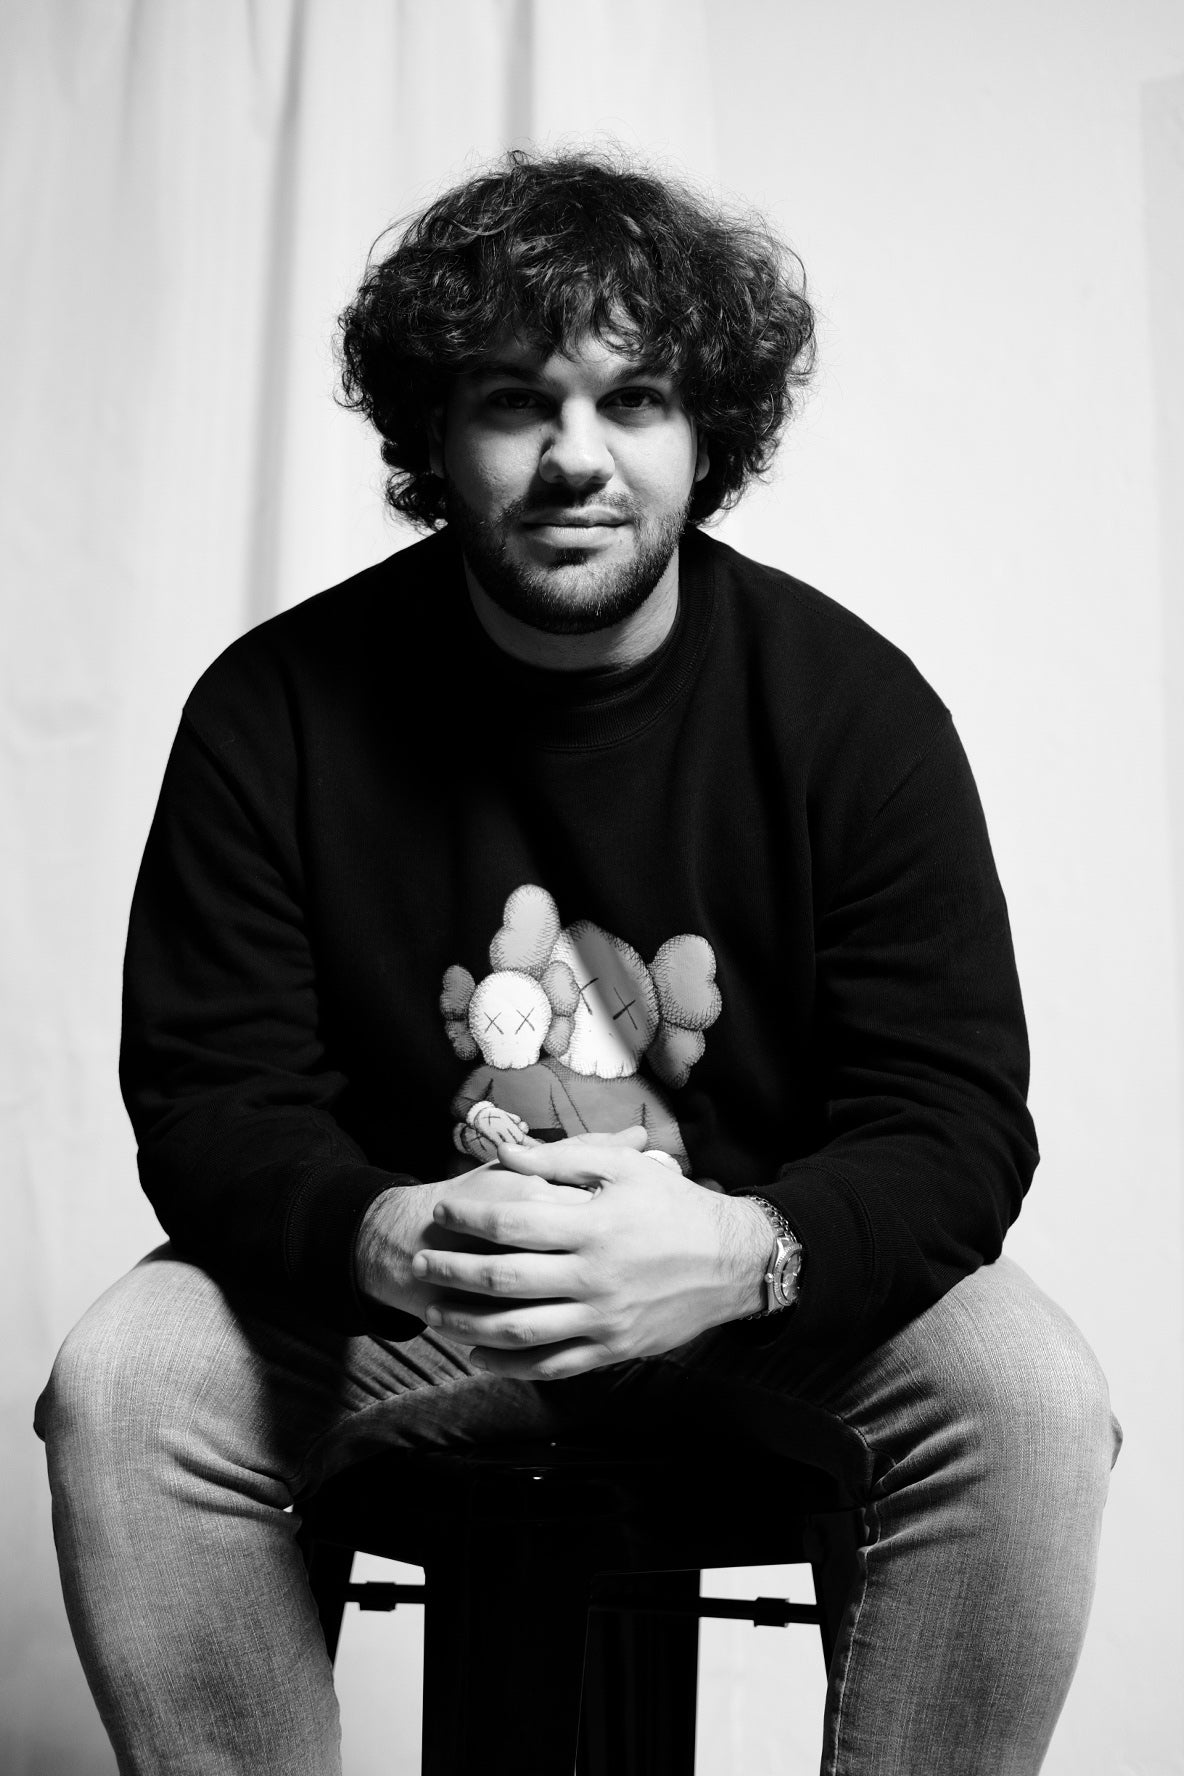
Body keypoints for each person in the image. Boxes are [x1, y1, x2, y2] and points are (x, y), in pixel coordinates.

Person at [36, 149, 1119, 1775]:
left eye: (637, 400)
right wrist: (391, 1233)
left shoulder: (855, 712)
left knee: (1027, 1397)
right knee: (129, 1382)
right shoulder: (277, 708)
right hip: (405, 1302)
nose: (576, 459)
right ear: (434, 435)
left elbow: (955, 1119)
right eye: (514, 402)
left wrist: (746, 1250)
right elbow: (209, 1100)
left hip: (762, 1300)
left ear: (707, 434)